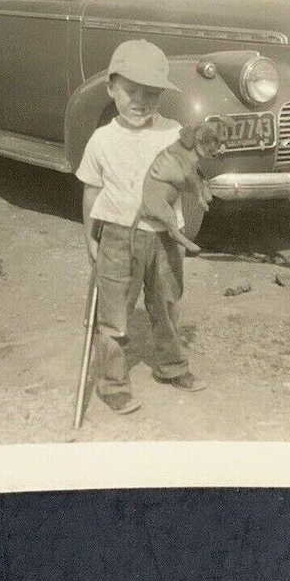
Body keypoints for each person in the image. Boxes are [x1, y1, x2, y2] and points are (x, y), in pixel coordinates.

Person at [76, 39, 206, 415]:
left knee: (166, 303)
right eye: (130, 91)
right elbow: (91, 191)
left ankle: (171, 366)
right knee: (114, 313)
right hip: (118, 236)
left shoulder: (174, 133)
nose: (140, 101)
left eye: (151, 93)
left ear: (162, 95)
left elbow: (191, 183)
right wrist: (90, 236)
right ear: (111, 88)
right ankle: (113, 383)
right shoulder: (102, 139)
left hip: (164, 237)